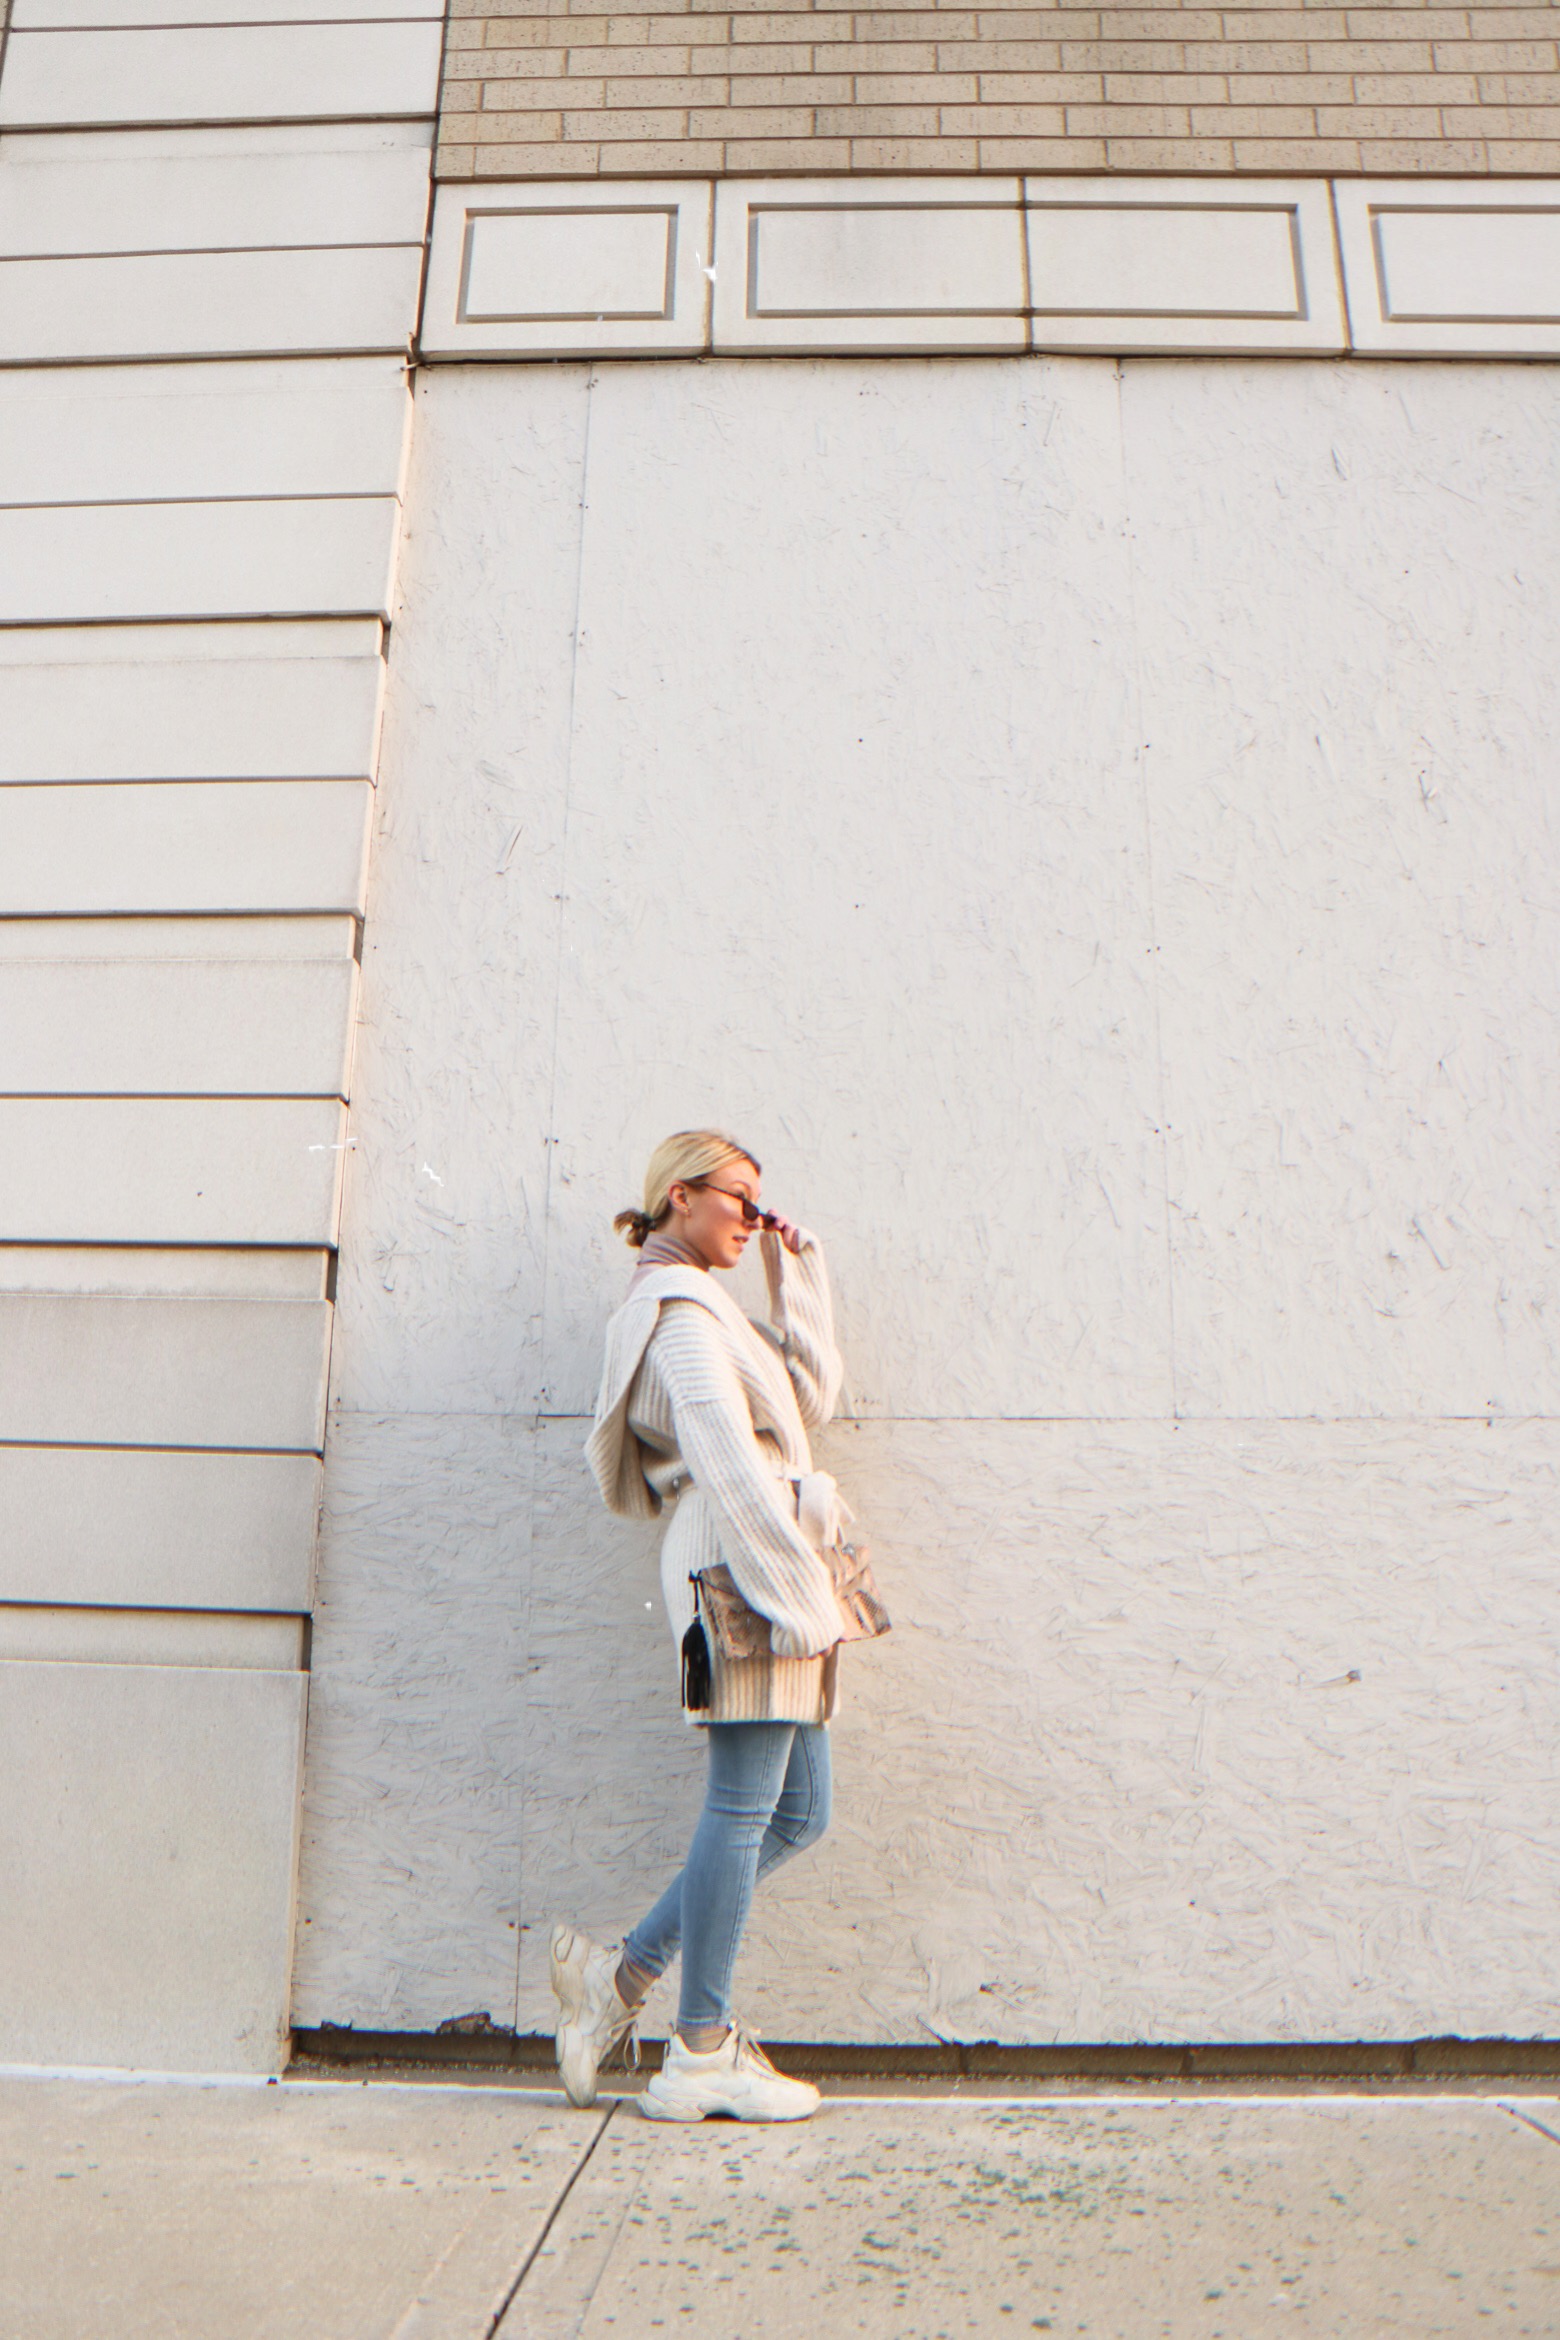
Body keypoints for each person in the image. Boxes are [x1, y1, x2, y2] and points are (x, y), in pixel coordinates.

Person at [550, 1128, 859, 2123]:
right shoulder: (678, 1318)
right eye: (739, 1200)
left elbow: (798, 1408)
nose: (751, 1217)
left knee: (796, 1812)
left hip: (760, 1556)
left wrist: (795, 1276)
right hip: (742, 1564)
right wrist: (800, 1597)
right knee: (741, 1806)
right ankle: (700, 2051)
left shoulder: (712, 1309)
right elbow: (730, 1462)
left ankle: (621, 1981)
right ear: (678, 1197)